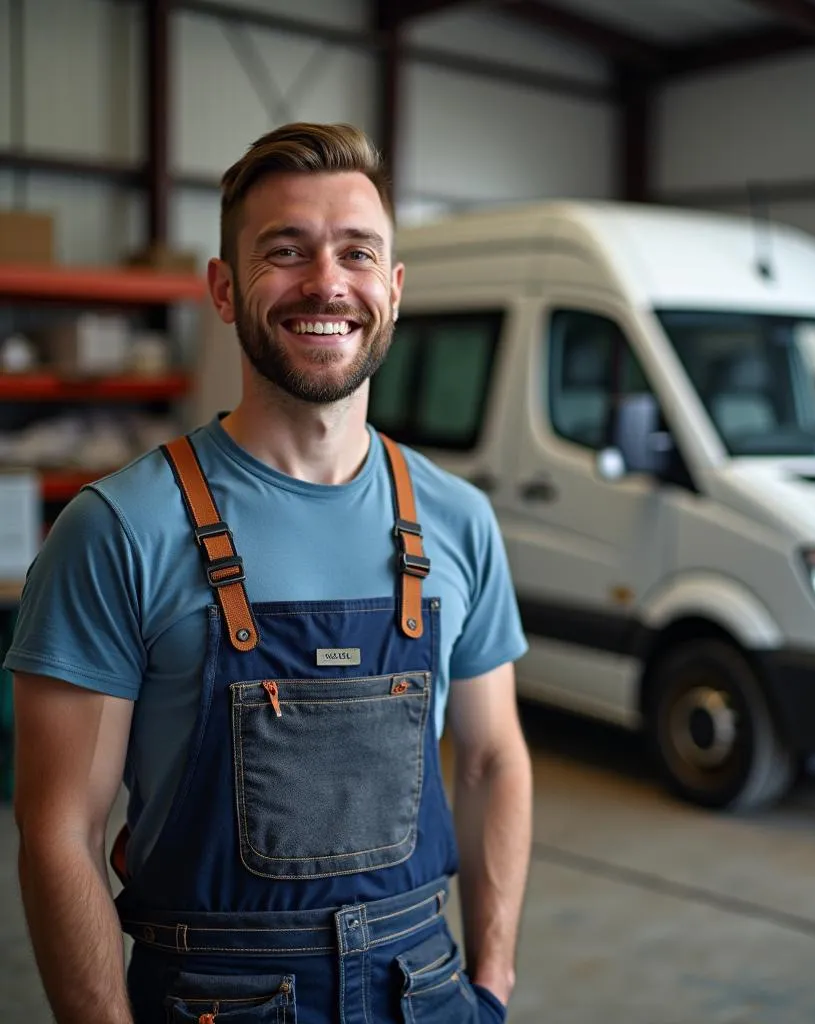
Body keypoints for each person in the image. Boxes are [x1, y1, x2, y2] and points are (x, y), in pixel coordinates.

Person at [6, 122, 533, 1024]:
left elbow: (490, 760)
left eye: (356, 254)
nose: (326, 282)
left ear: (394, 291)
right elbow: (59, 831)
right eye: (285, 252)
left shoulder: (458, 520)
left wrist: (491, 975)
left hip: (430, 992)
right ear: (223, 288)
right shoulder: (118, 530)